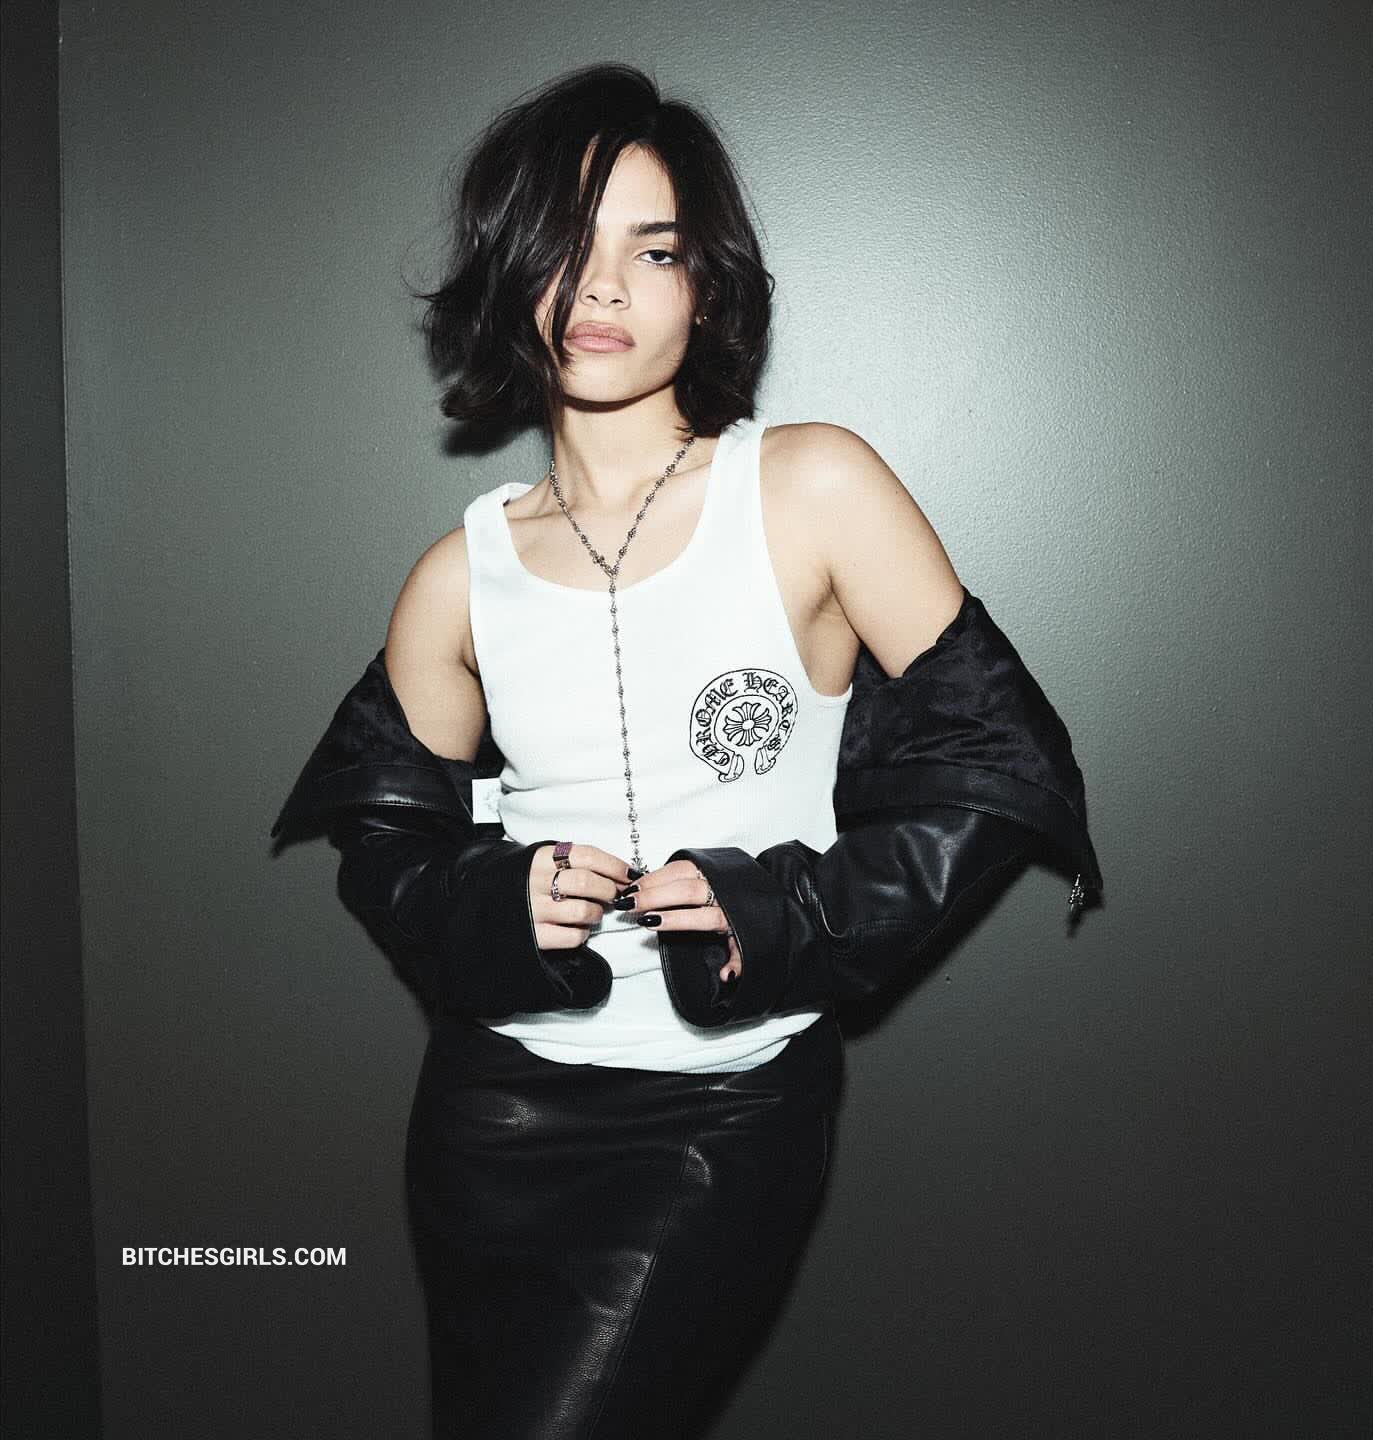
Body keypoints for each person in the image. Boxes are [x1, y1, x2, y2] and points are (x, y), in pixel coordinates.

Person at [271, 62, 1102, 1439]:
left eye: (651, 252)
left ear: (706, 289)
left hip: (720, 1119)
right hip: (492, 1116)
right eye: (566, 245)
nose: (601, 288)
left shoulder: (811, 487)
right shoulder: (455, 576)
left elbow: (998, 756)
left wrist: (787, 909)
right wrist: (499, 897)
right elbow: (390, 849)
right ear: (510, 275)